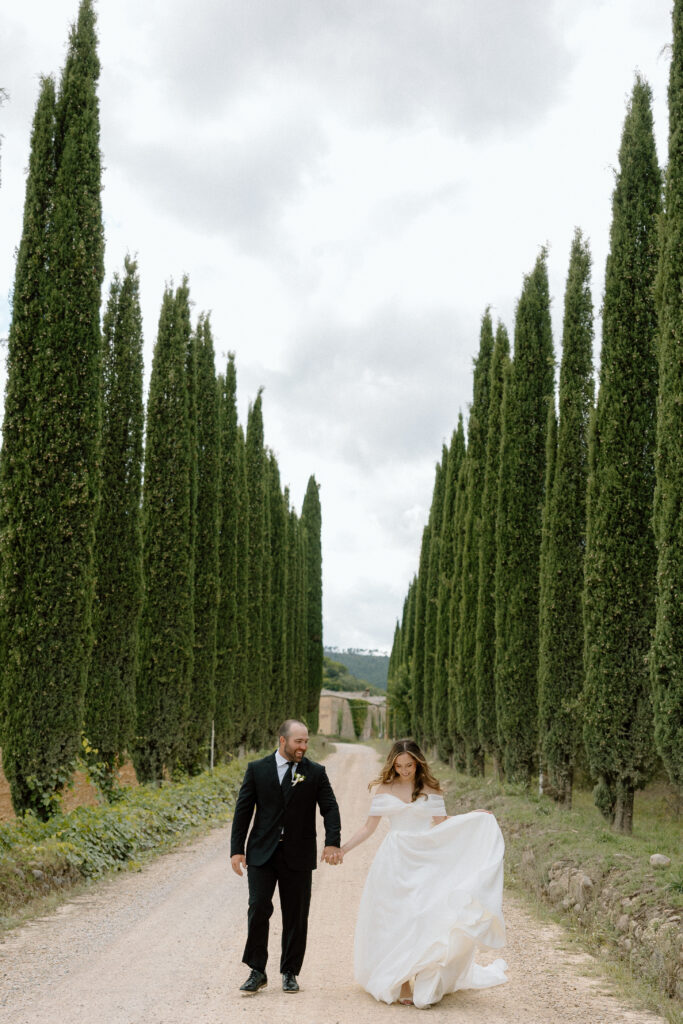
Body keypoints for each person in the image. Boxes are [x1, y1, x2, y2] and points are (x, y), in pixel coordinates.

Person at [340, 738, 507, 1009]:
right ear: (392, 764)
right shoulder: (384, 788)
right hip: (394, 858)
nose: (405, 770)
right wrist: (343, 849)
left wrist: (473, 817)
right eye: (399, 765)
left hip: (424, 857)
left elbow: (442, 823)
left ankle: (419, 969)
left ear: (418, 763)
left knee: (421, 914)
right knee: (394, 916)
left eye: (410, 765)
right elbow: (368, 828)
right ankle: (402, 980)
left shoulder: (431, 788)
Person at [230, 719, 342, 994]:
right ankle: (257, 971)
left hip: (298, 854)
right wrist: (237, 849)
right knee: (258, 908)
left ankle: (290, 972)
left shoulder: (315, 772)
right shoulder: (257, 770)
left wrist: (332, 842)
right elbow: (243, 811)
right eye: (298, 741)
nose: (303, 746)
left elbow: (330, 808)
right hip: (261, 853)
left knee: (296, 914)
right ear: (283, 740)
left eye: (306, 741)